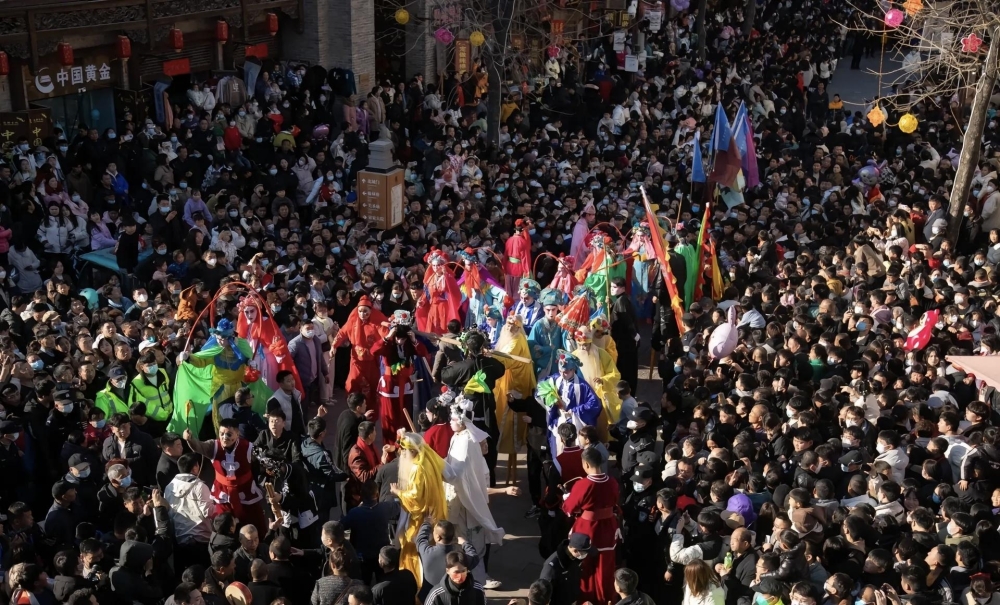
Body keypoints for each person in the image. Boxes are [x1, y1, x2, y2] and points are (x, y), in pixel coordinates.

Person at [441, 330, 507, 486]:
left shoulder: (462, 366)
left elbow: (444, 375)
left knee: (470, 448)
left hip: (469, 415)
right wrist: (488, 356)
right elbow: (501, 368)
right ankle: (489, 484)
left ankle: (471, 483)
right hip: (485, 412)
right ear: (483, 347)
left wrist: (452, 363)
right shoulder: (490, 364)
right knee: (487, 447)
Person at [182, 417, 267, 536]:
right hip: (223, 493)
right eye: (221, 434)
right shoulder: (213, 446)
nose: (224, 437)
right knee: (223, 524)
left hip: (246, 490)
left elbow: (262, 463)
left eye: (229, 434)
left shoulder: (248, 447)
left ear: (237, 434)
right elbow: (199, 446)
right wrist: (190, 439)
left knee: (255, 521)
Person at [561, 446, 619, 604]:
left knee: (585, 566)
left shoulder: (583, 484)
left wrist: (567, 498)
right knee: (605, 566)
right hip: (608, 527)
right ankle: (606, 598)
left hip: (587, 528)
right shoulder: (612, 482)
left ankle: (587, 599)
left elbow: (569, 508)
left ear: (586, 464)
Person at [331, 296, 387, 421]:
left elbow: (386, 336)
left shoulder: (376, 322)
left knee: (372, 387)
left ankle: (371, 415)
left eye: (365, 311)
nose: (362, 314)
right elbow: (342, 333)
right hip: (356, 361)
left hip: (372, 362)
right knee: (352, 384)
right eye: (360, 311)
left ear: (371, 311)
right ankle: (353, 412)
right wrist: (334, 346)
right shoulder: (353, 321)